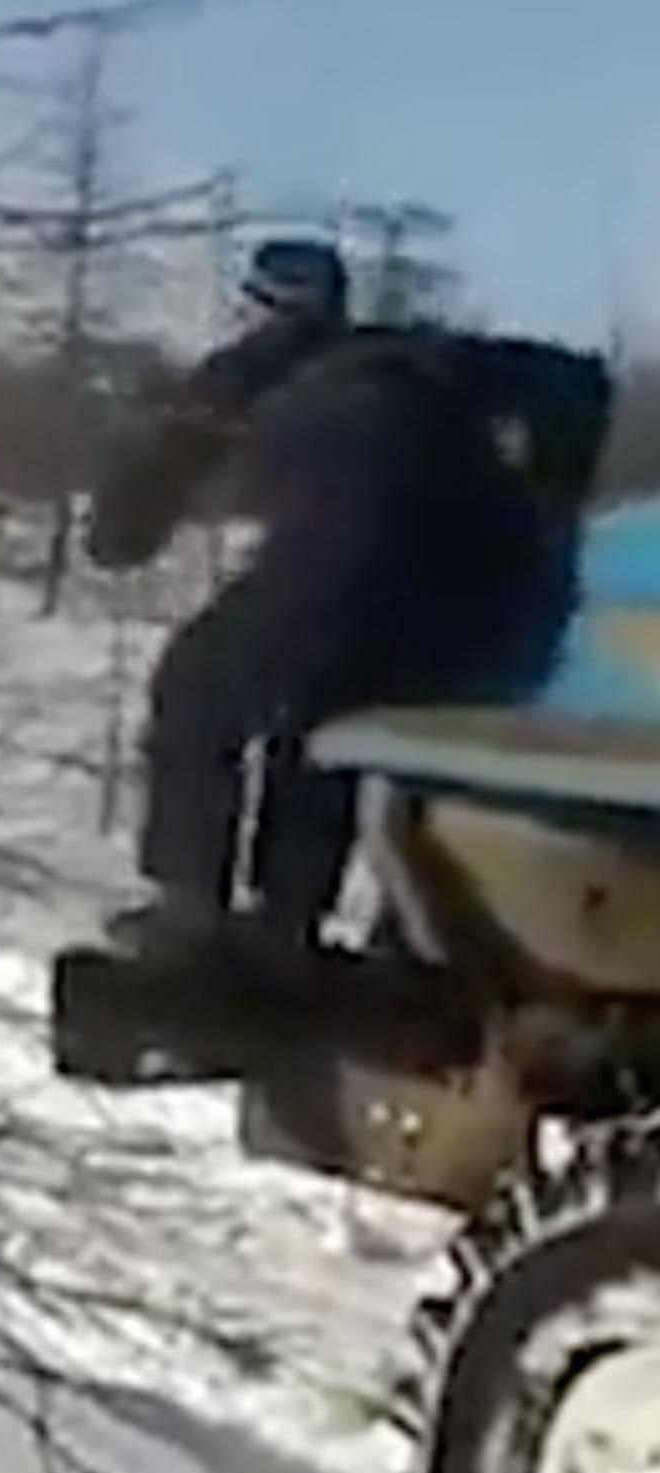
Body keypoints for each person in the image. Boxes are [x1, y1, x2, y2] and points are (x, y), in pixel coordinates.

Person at [89, 239, 601, 959]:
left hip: (354, 555)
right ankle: (318, 924)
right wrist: (554, 504)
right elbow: (580, 382)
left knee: (199, 681)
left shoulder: (255, 372)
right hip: (496, 594)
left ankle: (197, 911)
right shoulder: (429, 356)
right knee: (333, 714)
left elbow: (132, 516)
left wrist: (120, 528)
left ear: (259, 310)